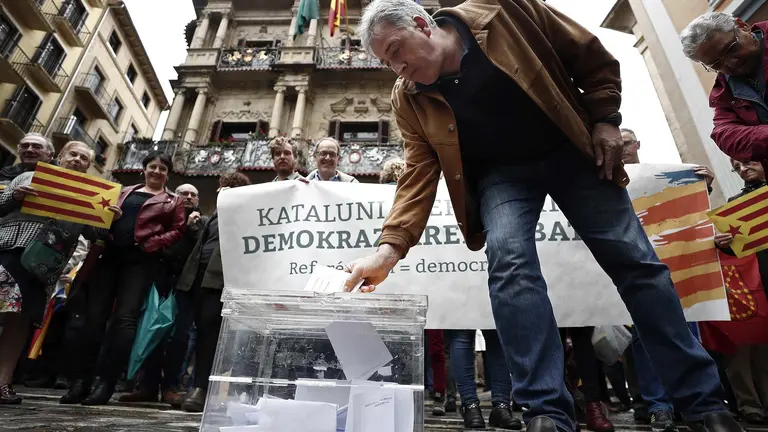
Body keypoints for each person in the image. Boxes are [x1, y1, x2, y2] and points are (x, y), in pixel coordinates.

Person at [347, 2, 739, 432]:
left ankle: (703, 403)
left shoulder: (500, 9)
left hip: (571, 149)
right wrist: (389, 250)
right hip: (500, 177)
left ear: (422, 24)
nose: (397, 68)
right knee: (509, 263)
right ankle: (547, 412)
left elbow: (589, 54)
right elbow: (418, 172)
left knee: (635, 262)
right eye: (387, 62)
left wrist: (606, 120)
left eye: (396, 50)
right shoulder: (408, 98)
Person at [60, 151, 186, 406]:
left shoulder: (174, 200)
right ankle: (80, 382)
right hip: (108, 258)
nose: (157, 171)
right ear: (144, 169)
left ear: (168, 173)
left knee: (124, 321)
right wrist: (108, 222)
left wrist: (152, 244)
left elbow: (177, 230)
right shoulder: (120, 191)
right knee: (93, 320)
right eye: (152, 166)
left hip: (140, 263)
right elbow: (96, 220)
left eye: (162, 168)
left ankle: (106, 383)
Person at [0, 141, 119, 404]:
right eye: (72, 154)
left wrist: (110, 217)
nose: (77, 160)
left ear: (89, 166)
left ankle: (2, 383)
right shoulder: (28, 176)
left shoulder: (90, 195)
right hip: (8, 250)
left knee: (20, 322)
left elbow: (94, 234)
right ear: (59, 157)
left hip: (44, 265)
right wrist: (13, 196)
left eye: (84, 158)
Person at [118, 183, 206, 407]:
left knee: (180, 337)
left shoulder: (202, 224)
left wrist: (191, 230)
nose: (187, 197)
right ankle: (147, 385)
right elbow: (163, 250)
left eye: (192, 194)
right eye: (182, 193)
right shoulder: (164, 218)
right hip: (159, 281)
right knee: (152, 331)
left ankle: (171, 387)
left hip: (186, 287)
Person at [178, 172, 251, 413]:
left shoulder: (243, 218)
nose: (224, 191)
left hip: (219, 283)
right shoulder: (211, 219)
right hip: (196, 281)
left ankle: (201, 388)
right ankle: (193, 386)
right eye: (224, 186)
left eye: (232, 188)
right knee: (196, 334)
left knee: (210, 334)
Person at [713, 158, 768, 425]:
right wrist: (721, 243)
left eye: (748, 162)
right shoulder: (735, 205)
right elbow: (733, 248)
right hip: (752, 284)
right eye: (737, 166)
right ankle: (750, 405)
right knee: (748, 345)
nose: (743, 168)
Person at [681, 13, 768, 161]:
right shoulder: (725, 92)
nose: (731, 62)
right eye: (716, 64)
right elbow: (725, 136)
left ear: (742, 26)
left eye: (731, 49)